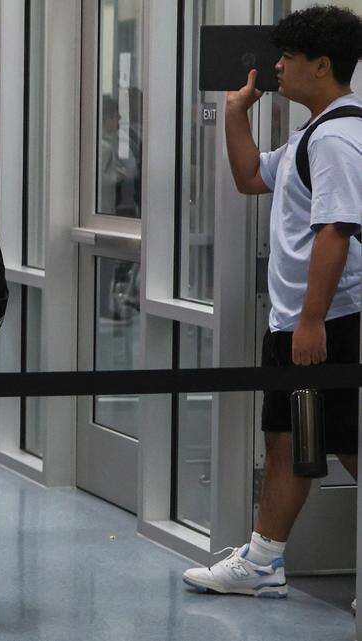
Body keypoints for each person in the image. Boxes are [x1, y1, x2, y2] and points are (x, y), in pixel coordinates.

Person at [183, 5, 362, 599]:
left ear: (322, 65)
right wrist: (236, 113)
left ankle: (265, 560)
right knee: (285, 437)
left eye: (287, 57)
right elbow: (250, 177)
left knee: (348, 442)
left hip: (330, 320)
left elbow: (336, 231)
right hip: (296, 321)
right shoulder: (312, 134)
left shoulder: (336, 138)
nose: (277, 66)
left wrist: (312, 322)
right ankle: (263, 561)